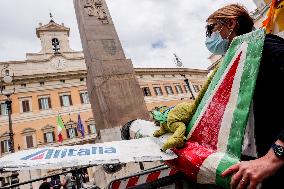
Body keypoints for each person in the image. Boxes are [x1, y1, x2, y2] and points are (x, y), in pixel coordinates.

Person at [204, 4, 284, 189]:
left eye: (212, 28)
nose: (210, 37)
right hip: (254, 165)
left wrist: (275, 156)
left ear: (231, 23)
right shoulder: (241, 59)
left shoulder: (268, 48)